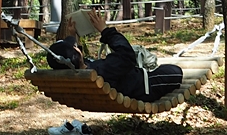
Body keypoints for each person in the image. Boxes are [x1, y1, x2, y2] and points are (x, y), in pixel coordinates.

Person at [46, 9, 183, 103]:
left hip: (124, 85)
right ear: (77, 55)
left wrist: (73, 35)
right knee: (175, 71)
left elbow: (78, 61)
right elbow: (127, 54)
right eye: (74, 47)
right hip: (143, 87)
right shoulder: (103, 70)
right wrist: (105, 30)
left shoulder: (77, 72)